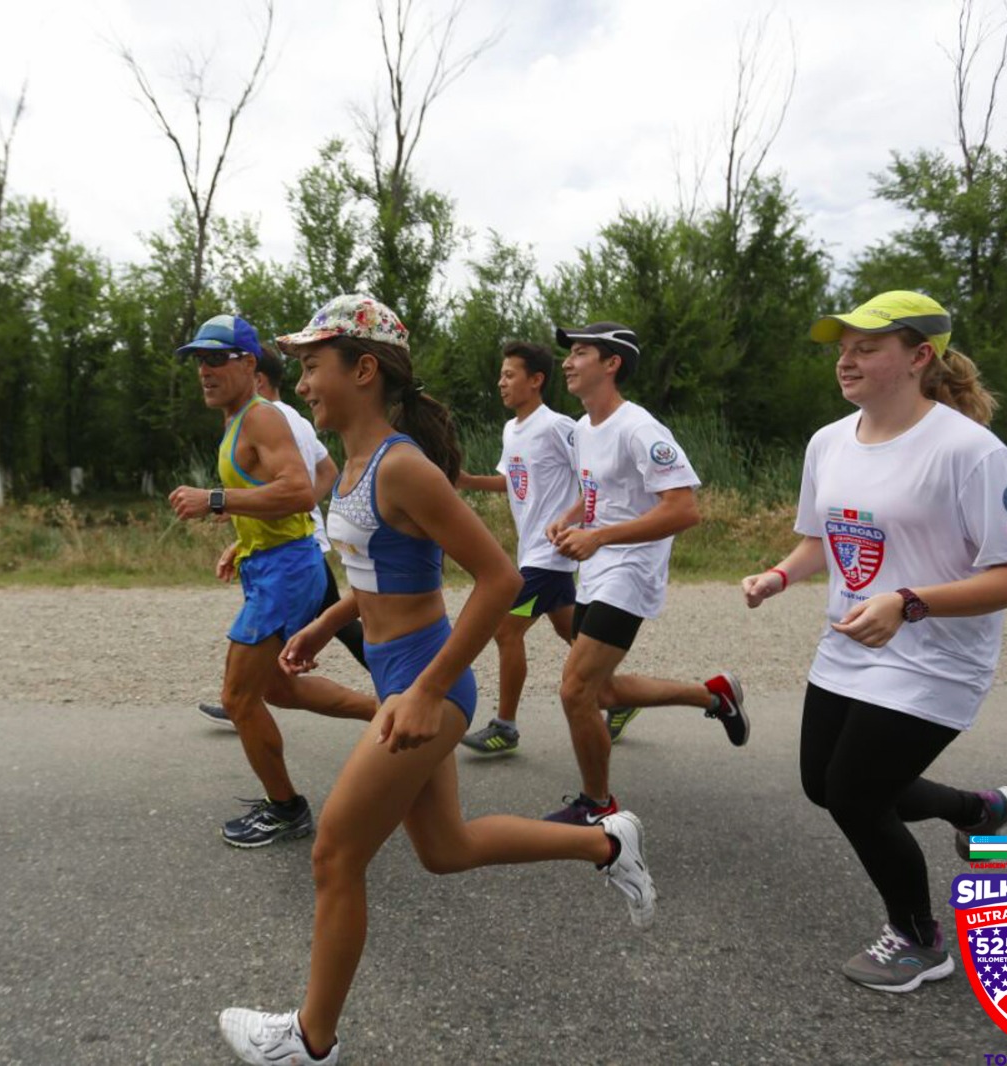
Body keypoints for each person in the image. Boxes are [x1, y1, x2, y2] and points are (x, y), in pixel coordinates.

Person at [216, 295, 655, 1066]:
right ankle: (606, 845)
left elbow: (497, 577)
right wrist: (325, 624)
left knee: (335, 856)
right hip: (398, 676)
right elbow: (380, 568)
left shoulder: (403, 466)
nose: (305, 381)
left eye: (315, 364)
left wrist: (425, 691)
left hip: (428, 682)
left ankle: (309, 1041)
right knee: (445, 849)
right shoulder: (357, 463)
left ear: (363, 369)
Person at [740, 290, 1007, 992]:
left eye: (867, 347)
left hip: (936, 658)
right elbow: (822, 540)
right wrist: (779, 576)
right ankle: (977, 812)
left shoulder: (971, 451)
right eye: (842, 347)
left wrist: (911, 602)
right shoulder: (828, 441)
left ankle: (919, 938)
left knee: (855, 795)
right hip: (850, 648)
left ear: (918, 358)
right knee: (824, 785)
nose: (846, 359)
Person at [169, 314, 376, 849]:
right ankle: (390, 715)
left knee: (238, 698)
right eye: (198, 361)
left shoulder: (262, 418)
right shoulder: (236, 419)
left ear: (247, 364)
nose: (204, 371)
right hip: (273, 563)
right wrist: (244, 541)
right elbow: (274, 500)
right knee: (276, 688)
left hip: (289, 570)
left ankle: (286, 809)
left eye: (216, 359)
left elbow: (301, 492)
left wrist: (214, 499)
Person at [542, 322, 750, 826]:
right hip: (598, 568)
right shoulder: (584, 428)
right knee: (604, 692)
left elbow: (683, 510)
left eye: (581, 353)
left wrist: (599, 537)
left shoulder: (640, 429)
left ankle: (597, 805)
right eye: (568, 354)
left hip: (629, 571)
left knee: (575, 690)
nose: (568, 362)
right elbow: (599, 491)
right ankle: (714, 695)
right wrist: (571, 517)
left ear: (612, 364)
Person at [198, 345, 368, 728]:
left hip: (290, 555)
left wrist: (239, 503)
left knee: (337, 629)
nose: (304, 386)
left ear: (254, 375)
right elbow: (326, 473)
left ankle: (401, 697)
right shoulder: (299, 421)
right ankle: (398, 696)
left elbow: (296, 489)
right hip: (298, 546)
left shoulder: (268, 420)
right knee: (336, 627)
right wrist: (256, 517)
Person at [454, 342, 583, 756]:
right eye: (501, 375)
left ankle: (505, 726)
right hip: (533, 554)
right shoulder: (512, 429)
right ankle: (619, 696)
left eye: (510, 375)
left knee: (505, 628)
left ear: (536, 380)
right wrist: (467, 480)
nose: (501, 383)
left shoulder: (558, 426)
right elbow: (514, 480)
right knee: (575, 634)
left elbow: (597, 474)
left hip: (549, 555)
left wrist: (579, 523)